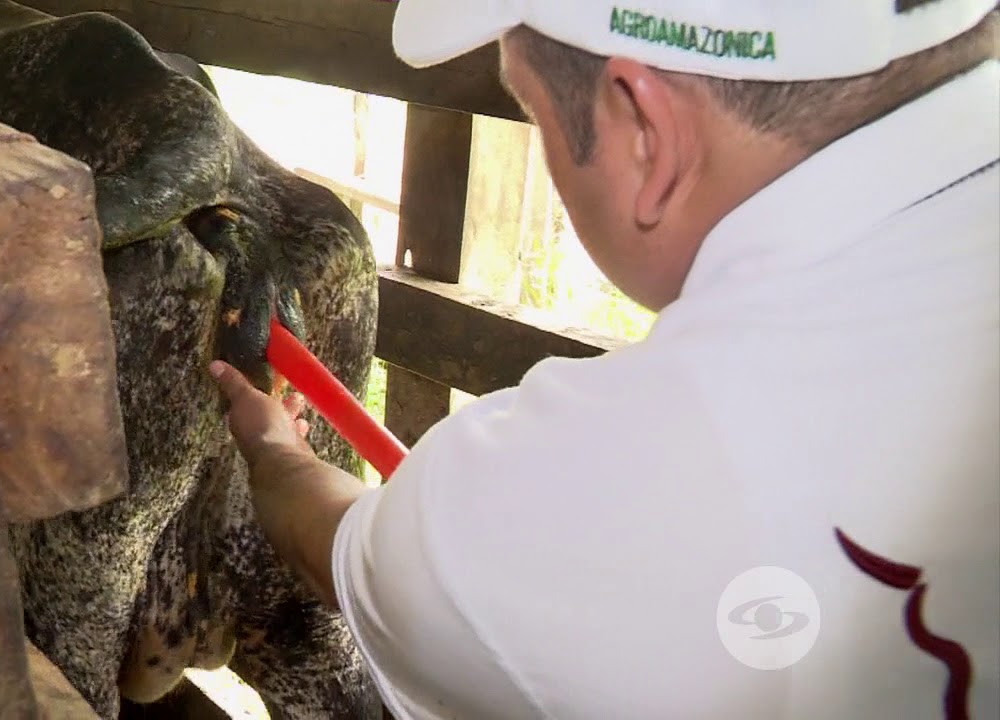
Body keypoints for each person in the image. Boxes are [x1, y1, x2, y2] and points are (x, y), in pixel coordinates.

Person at [208, 1, 999, 717]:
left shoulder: (618, 484)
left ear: (644, 133)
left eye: (534, 111)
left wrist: (276, 453)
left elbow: (342, 550)